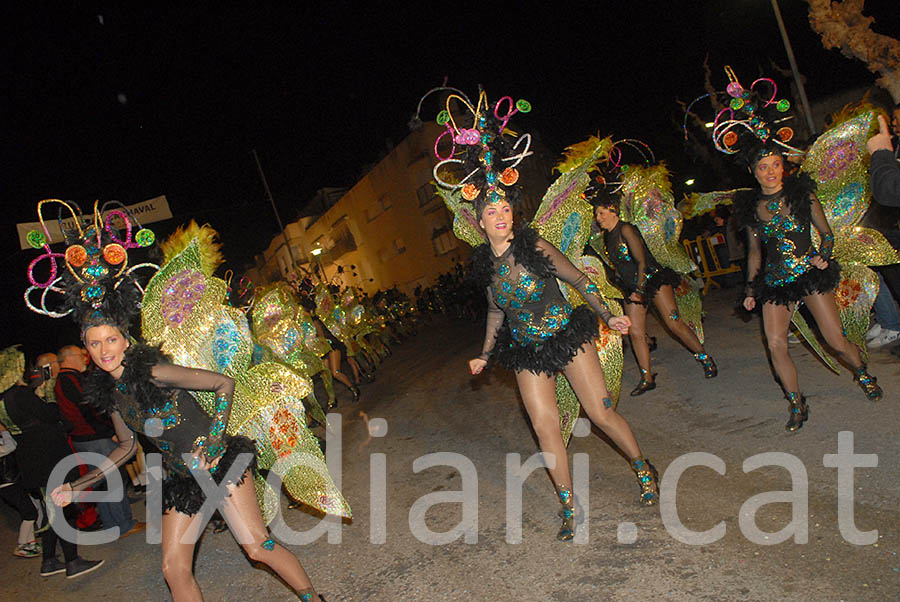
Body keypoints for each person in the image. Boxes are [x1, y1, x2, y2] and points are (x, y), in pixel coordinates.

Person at [25, 202, 327, 601]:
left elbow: (222, 384)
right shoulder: (111, 395)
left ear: (125, 339)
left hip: (220, 459)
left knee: (258, 548)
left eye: (111, 339)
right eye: (95, 344)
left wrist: (216, 441)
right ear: (86, 350)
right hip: (181, 478)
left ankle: (313, 599)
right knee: (173, 568)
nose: (104, 350)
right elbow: (127, 446)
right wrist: (80, 484)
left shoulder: (153, 370)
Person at [468, 198, 659, 541]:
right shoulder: (485, 265)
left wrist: (607, 315)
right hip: (526, 350)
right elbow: (496, 312)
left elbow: (578, 279)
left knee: (600, 414)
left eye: (506, 209)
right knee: (545, 428)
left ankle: (642, 468)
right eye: (491, 212)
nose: (500, 217)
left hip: (566, 335)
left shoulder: (534, 246)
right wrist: (484, 354)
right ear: (480, 222)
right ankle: (569, 507)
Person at [737, 151, 882, 426]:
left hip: (810, 274)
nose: (771, 172)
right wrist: (749, 290)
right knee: (776, 343)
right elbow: (755, 252)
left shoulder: (803, 195)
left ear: (783, 167)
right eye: (763, 167)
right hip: (776, 282)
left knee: (835, 339)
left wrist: (823, 256)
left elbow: (826, 234)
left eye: (776, 165)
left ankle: (863, 373)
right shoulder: (752, 209)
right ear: (753, 171)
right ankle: (796, 402)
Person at [589, 185, 717, 395]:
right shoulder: (606, 237)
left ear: (613, 210)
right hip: (633, 287)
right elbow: (620, 268)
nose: (598, 217)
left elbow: (641, 262)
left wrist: (640, 288)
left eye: (601, 213)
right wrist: (626, 289)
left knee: (673, 322)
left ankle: (705, 358)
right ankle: (647, 378)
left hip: (652, 279)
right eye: (596, 214)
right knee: (636, 332)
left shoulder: (626, 229)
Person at [1, 352, 104, 578]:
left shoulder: (3, 399)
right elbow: (50, 414)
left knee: (51, 511)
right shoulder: (19, 394)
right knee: (60, 509)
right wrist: (47, 393)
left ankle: (49, 561)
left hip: (31, 458)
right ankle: (73, 562)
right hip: (47, 456)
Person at [55, 344, 144, 538]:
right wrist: (111, 430)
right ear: (69, 358)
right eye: (81, 355)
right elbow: (91, 410)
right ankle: (123, 524)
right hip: (95, 437)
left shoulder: (63, 381)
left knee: (101, 481)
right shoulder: (71, 380)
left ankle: (113, 524)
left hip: (84, 438)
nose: (85, 358)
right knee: (112, 479)